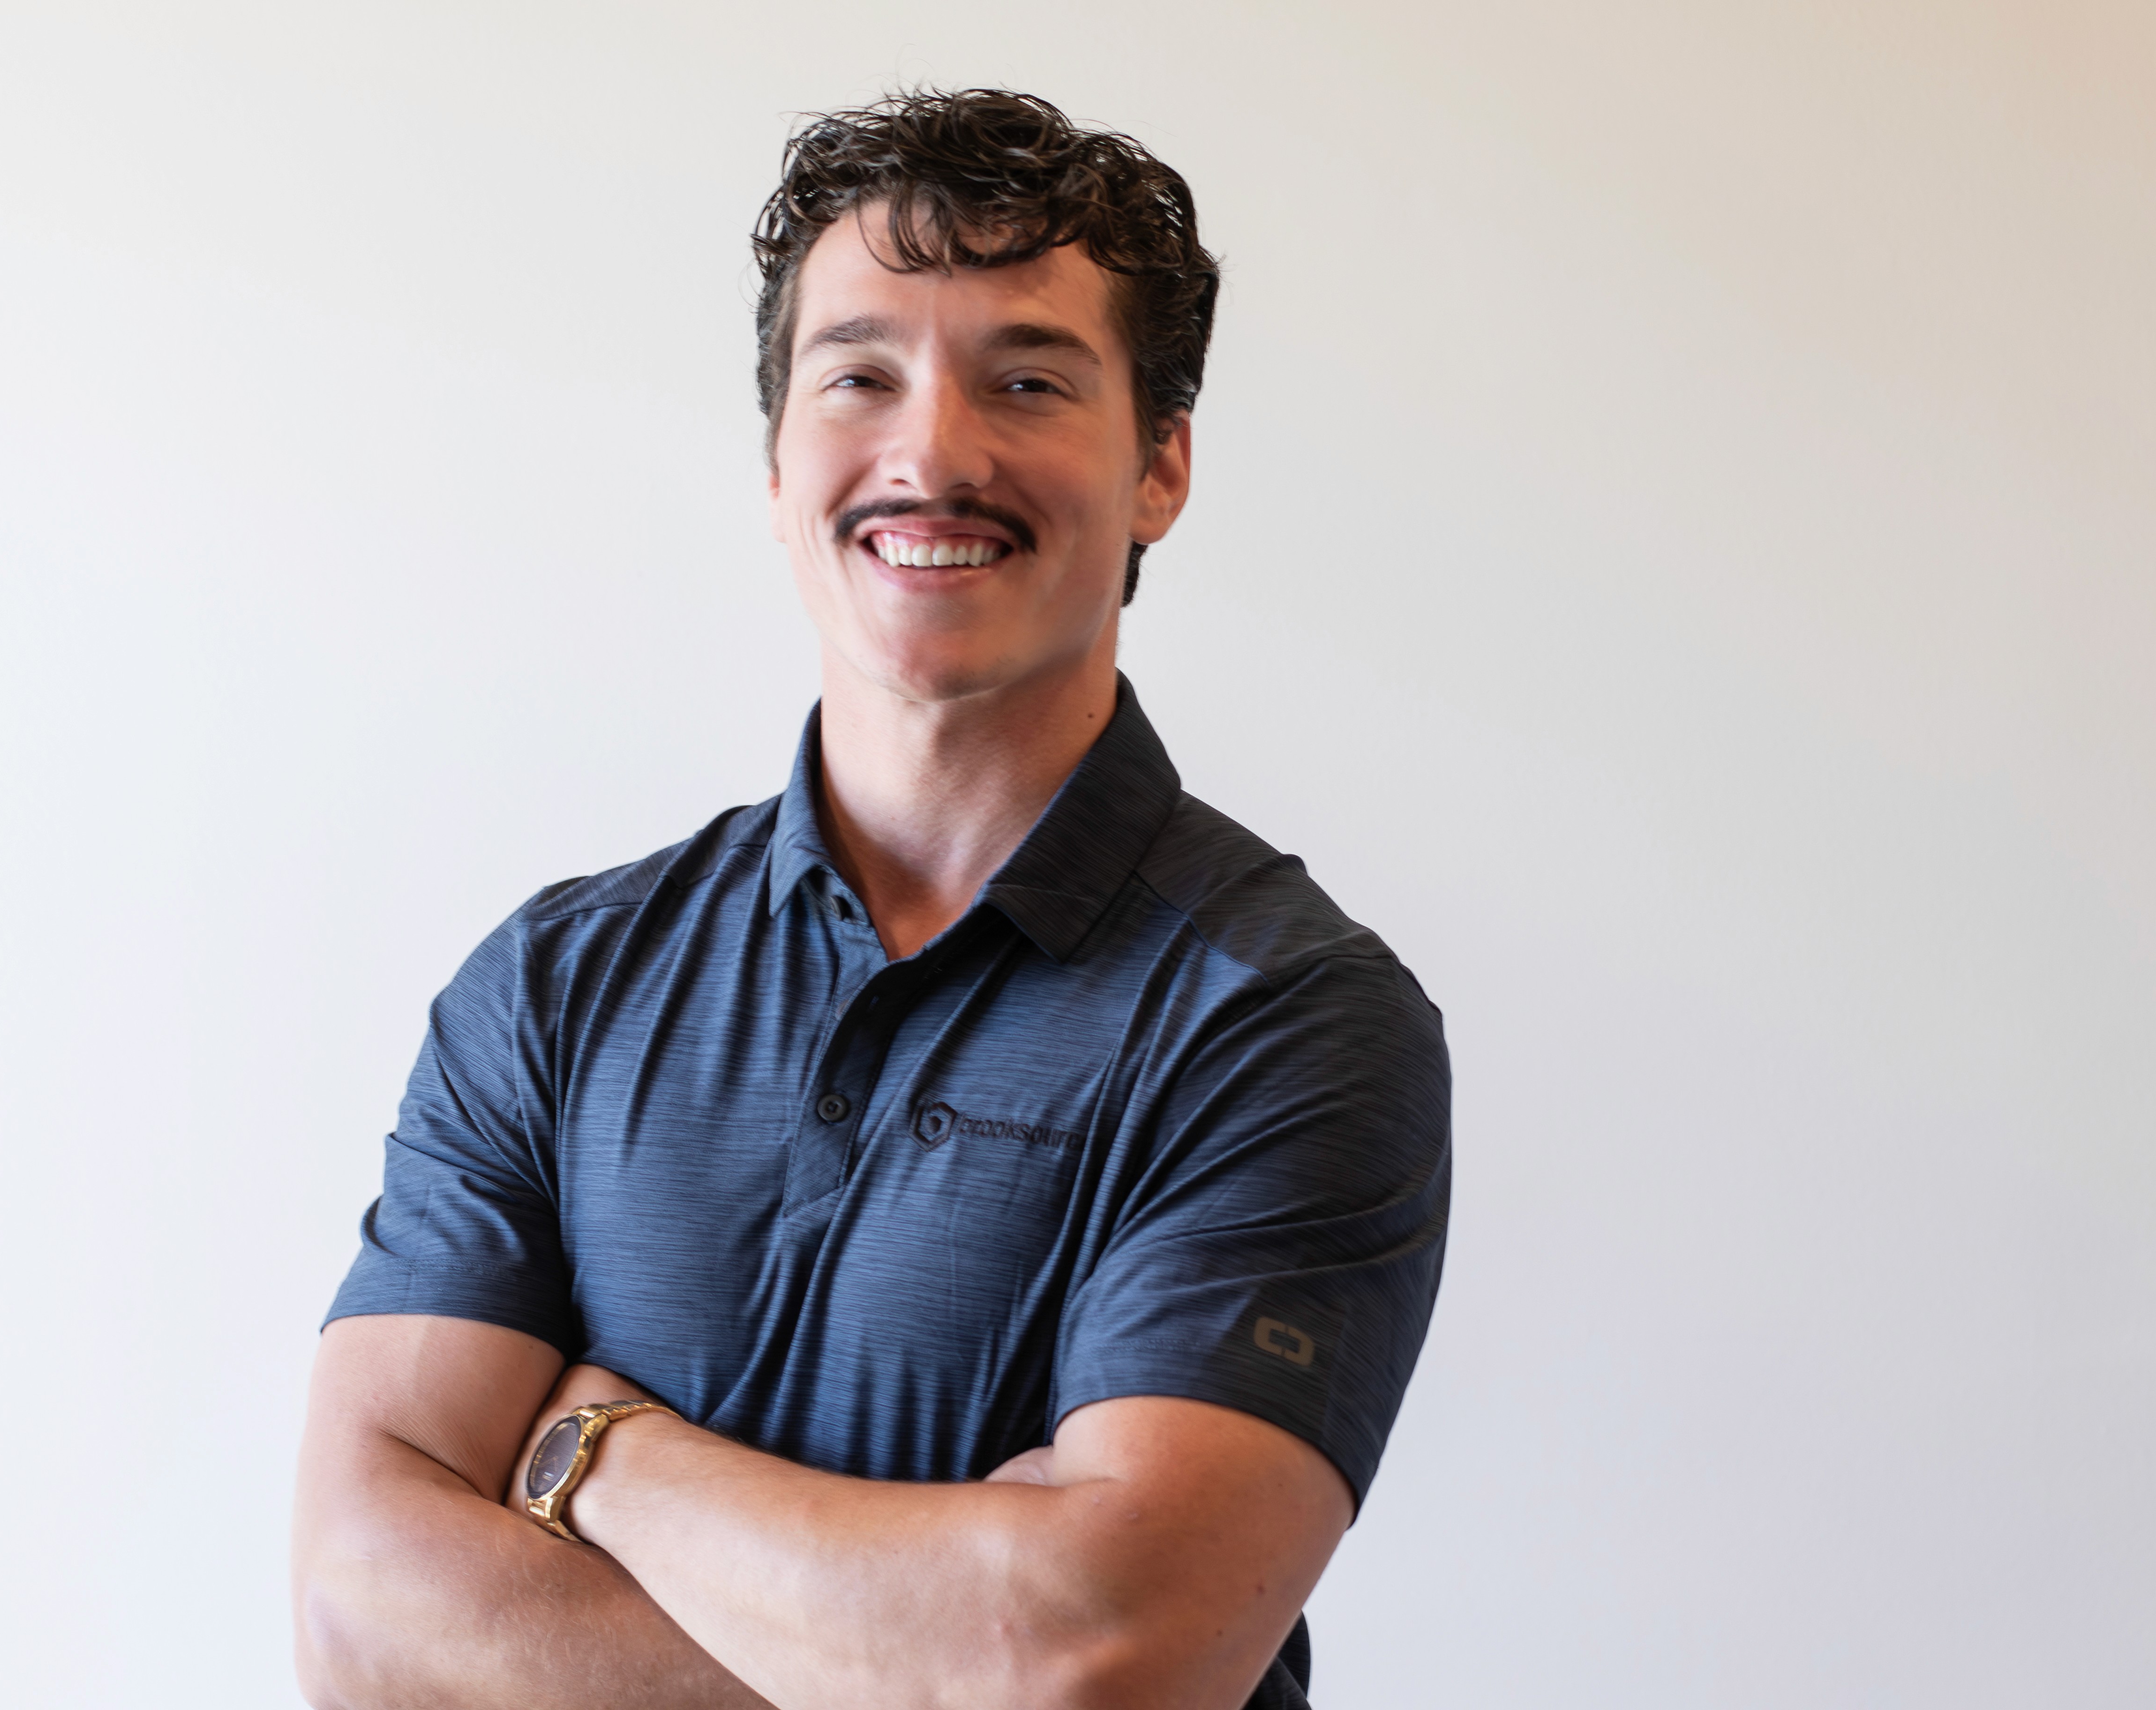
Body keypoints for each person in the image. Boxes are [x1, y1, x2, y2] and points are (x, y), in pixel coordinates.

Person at [291, 88, 1451, 1710]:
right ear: (778, 462)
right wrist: (914, 1647)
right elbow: (360, 1617)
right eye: (861, 376)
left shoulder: (1287, 1018)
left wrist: (592, 1456)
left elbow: (1089, 1661)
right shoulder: (557, 983)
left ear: (1159, 469)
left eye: (1029, 380)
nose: (932, 455)